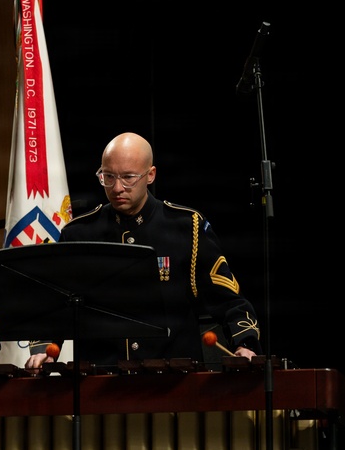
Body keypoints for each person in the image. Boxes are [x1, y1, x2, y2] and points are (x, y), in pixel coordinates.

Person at [26, 131, 260, 369]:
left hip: (174, 376)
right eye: (108, 176)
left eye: (128, 177)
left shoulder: (187, 227)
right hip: (99, 379)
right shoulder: (79, 234)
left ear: (150, 175)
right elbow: (55, 303)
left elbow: (228, 300)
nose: (117, 187)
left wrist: (245, 343)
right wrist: (44, 348)